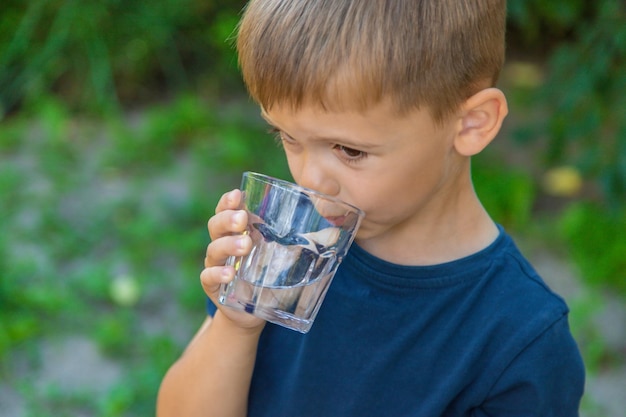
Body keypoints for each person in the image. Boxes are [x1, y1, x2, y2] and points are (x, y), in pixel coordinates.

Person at [157, 0, 586, 416]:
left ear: (471, 123)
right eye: (286, 137)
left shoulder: (519, 342)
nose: (309, 180)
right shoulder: (286, 258)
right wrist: (235, 324)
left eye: (349, 150)